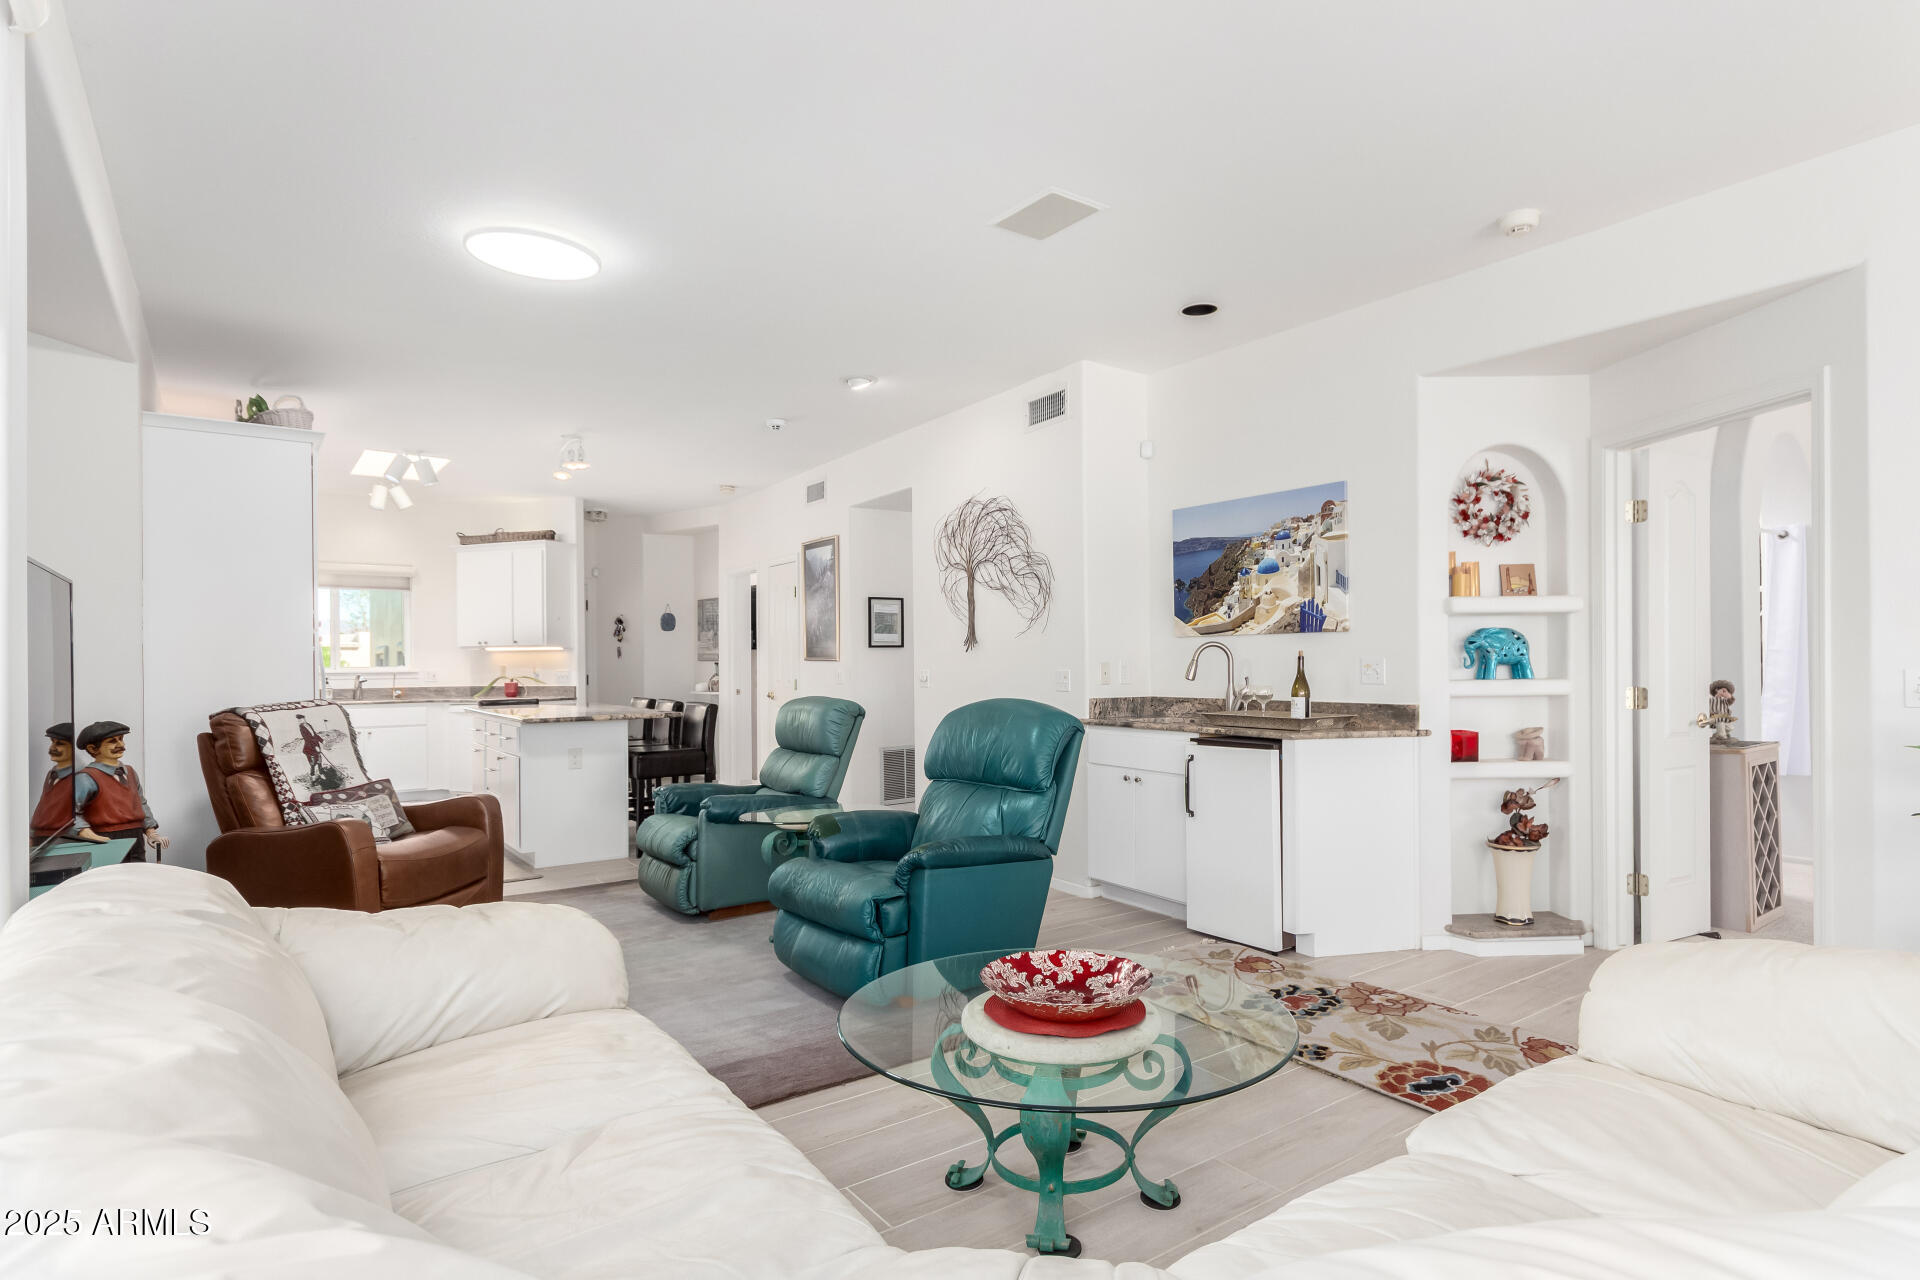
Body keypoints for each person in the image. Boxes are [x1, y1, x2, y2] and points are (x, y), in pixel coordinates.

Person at [73, 720, 168, 861]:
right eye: (112, 741)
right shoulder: (86, 777)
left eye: (121, 739)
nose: (121, 745)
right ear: (93, 749)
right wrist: (89, 835)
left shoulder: (129, 772)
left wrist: (151, 832)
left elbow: (141, 803)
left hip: (136, 838)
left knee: (137, 875)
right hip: (107, 838)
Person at [28, 722, 78, 845]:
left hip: (62, 839)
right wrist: (32, 833)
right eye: (52, 742)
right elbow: (43, 807)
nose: (53, 747)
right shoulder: (52, 774)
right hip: (42, 837)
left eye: (60, 744)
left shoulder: (79, 776)